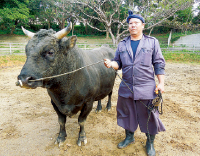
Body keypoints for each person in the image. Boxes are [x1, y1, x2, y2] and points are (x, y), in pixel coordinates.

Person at [104, 10, 166, 156]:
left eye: (136, 23)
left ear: (142, 25)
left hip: (147, 88)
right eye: (130, 23)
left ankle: (150, 143)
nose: (133, 26)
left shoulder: (152, 42)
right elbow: (118, 62)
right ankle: (129, 137)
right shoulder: (122, 44)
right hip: (126, 87)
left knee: (150, 116)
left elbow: (158, 63)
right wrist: (111, 63)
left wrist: (161, 83)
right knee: (127, 114)